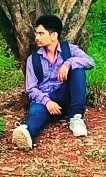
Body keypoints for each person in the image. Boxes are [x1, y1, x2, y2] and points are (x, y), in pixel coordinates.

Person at [12, 14, 95, 150]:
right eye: (36, 33)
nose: (37, 37)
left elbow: (90, 62)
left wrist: (68, 63)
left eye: (41, 33)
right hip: (45, 100)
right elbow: (31, 88)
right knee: (36, 112)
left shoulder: (69, 50)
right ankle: (26, 132)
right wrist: (47, 102)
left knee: (78, 69)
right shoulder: (33, 59)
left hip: (65, 96)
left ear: (54, 35)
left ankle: (76, 117)